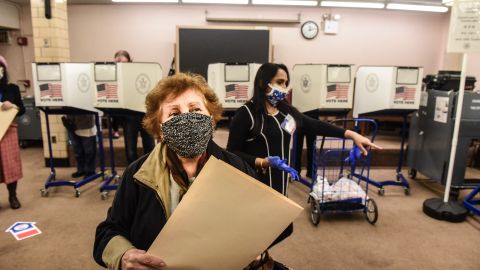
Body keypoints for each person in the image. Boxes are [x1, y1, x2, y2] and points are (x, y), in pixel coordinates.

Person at [93, 73, 256, 270]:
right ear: (161, 129)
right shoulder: (137, 174)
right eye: (174, 114)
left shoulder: (237, 168)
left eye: (195, 109)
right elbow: (108, 232)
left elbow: (258, 224)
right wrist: (124, 255)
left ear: (211, 121)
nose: (187, 119)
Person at [227, 63, 381, 249]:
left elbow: (313, 125)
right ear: (262, 82)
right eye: (280, 82)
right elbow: (231, 154)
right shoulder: (246, 114)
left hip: (279, 186)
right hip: (255, 186)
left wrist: (351, 135)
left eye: (286, 84)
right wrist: (263, 162)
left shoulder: (285, 111)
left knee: (281, 230)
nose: (284, 88)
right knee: (256, 236)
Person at [114, 50, 155, 164]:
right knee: (130, 150)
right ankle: (133, 174)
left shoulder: (138, 72)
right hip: (128, 116)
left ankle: (149, 173)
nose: (121, 65)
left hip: (145, 114)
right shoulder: (117, 77)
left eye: (124, 62)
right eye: (118, 62)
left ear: (129, 61)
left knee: (150, 148)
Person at [0, 55, 25, 209]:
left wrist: (13, 106)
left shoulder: (12, 88)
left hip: (8, 132)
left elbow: (22, 109)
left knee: (10, 165)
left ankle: (12, 196)